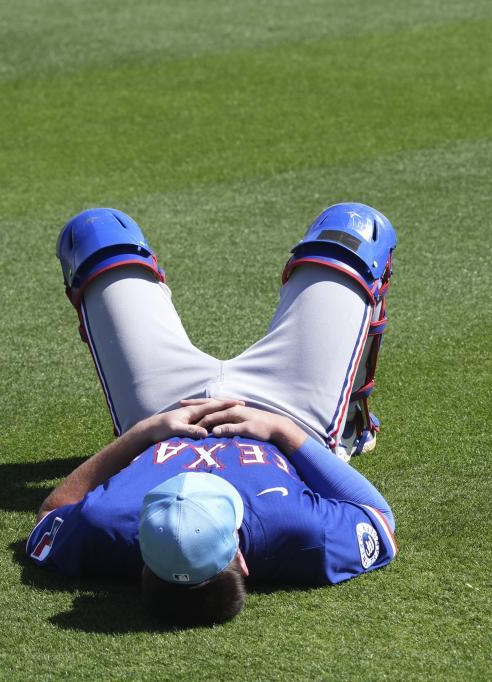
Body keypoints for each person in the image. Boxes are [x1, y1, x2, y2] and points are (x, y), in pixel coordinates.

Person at [27, 204, 398, 626]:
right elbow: (379, 518)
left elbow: (51, 512)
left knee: (95, 233)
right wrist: (282, 431)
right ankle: (351, 424)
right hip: (286, 407)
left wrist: (145, 432)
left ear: (143, 562)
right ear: (241, 559)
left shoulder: (106, 526)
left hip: (165, 405)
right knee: (354, 230)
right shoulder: (298, 534)